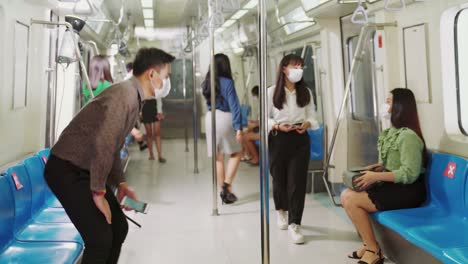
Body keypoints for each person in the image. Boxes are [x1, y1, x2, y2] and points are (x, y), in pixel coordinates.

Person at [44, 47, 175, 264]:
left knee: (119, 227)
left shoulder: (133, 97)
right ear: (151, 74)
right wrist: (98, 193)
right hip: (67, 169)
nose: (166, 82)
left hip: (85, 169)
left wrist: (121, 182)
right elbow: (103, 143)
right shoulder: (124, 96)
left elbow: (113, 145)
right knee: (99, 238)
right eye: (166, 76)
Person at [341, 88, 427, 264]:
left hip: (408, 191)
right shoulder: (389, 133)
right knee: (346, 195)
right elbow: (390, 165)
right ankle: (368, 244)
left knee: (352, 200)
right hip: (394, 186)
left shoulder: (409, 137)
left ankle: (374, 250)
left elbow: (409, 174)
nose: (384, 105)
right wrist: (377, 168)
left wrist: (376, 177)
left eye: (388, 102)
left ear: (399, 107)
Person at [268, 54, 319, 244]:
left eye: (301, 66)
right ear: (284, 68)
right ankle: (281, 211)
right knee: (279, 178)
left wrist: (307, 123)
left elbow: (313, 116)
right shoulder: (272, 92)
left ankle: (295, 224)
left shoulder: (306, 92)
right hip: (278, 137)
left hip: (299, 138)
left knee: (297, 182)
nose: (298, 69)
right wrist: (276, 126)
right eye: (294, 65)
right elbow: (265, 118)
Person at [202, 53, 243, 205]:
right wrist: (239, 128)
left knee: (218, 157)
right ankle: (227, 185)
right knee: (237, 152)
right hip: (225, 118)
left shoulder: (206, 82)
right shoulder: (227, 82)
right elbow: (234, 106)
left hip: (210, 118)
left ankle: (224, 192)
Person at [141, 83, 168, 162]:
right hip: (145, 107)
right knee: (149, 133)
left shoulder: (155, 82)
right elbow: (139, 99)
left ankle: (160, 156)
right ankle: (151, 154)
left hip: (154, 106)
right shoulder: (142, 82)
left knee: (157, 133)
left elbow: (159, 98)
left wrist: (159, 111)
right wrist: (140, 112)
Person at [242, 86, 260, 165]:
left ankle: (256, 158)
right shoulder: (262, 104)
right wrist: (254, 122)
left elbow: (269, 121)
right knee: (244, 133)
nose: (254, 98)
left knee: (246, 136)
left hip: (268, 130)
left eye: (254, 96)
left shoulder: (269, 104)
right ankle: (248, 155)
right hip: (261, 127)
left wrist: (255, 124)